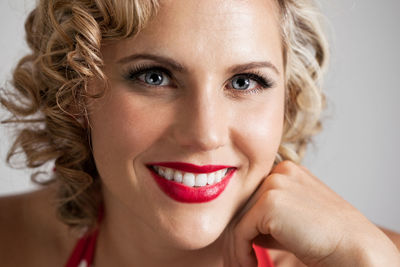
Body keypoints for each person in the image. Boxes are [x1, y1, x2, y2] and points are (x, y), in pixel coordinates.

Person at [1, 0, 399, 266]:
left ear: (288, 101)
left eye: (245, 82)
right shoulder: (11, 242)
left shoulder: (372, 257)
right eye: (155, 77)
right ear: (74, 93)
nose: (205, 134)